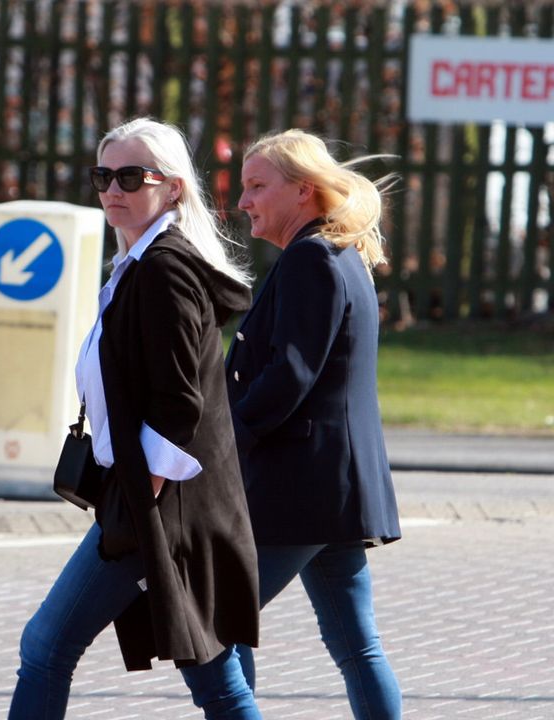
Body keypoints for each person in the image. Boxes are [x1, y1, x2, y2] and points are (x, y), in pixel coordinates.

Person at [8, 117, 261, 719]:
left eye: (129, 176)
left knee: (46, 646)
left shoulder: (165, 270)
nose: (112, 190)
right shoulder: (141, 263)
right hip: (168, 502)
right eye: (103, 176)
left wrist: (137, 504)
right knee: (215, 679)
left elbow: (178, 404)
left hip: (159, 505)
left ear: (172, 187)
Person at [225, 128, 403, 719]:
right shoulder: (336, 252)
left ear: (302, 192)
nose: (243, 200)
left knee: (218, 622)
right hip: (331, 489)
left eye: (256, 186)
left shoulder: (311, 258)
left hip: (303, 488)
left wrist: (224, 440)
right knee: (357, 646)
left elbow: (290, 375)